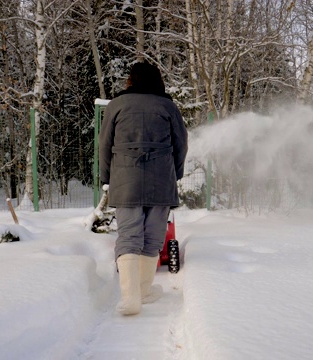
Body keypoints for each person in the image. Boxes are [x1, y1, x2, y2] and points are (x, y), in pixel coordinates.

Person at [99, 61, 188, 316]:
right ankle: (144, 290)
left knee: (128, 236)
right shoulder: (167, 106)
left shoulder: (116, 105)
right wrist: (176, 174)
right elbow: (182, 145)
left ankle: (131, 298)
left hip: (125, 180)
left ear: (132, 80)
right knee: (153, 238)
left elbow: (104, 146)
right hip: (161, 180)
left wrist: (107, 177)